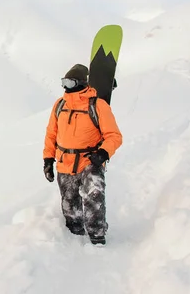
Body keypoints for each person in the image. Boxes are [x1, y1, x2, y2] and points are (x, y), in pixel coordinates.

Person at [42, 63, 123, 245]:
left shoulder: (98, 106)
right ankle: (74, 239)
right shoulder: (59, 105)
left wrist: (103, 153)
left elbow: (114, 136)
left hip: (89, 161)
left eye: (70, 82)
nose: (65, 87)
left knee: (94, 197)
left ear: (81, 83)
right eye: (64, 82)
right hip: (65, 161)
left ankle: (97, 236)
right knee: (70, 205)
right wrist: (48, 159)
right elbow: (51, 134)